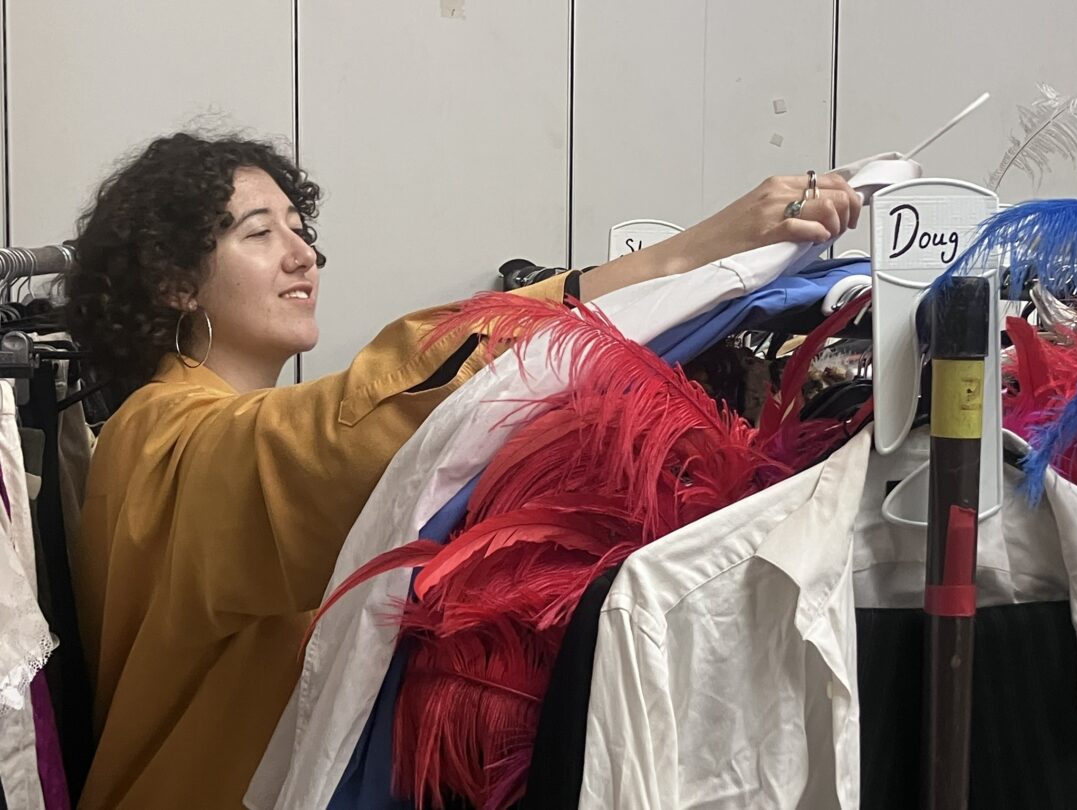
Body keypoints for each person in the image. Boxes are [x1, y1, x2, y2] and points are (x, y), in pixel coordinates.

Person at [62, 132, 861, 809]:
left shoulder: (189, 427)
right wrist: (690, 253)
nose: (303, 253)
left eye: (301, 228)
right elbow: (365, 422)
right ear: (173, 280)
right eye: (259, 232)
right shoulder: (158, 437)